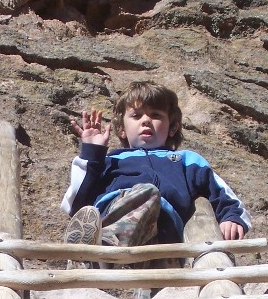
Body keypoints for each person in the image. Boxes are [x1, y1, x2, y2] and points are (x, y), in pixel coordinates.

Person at [61, 81, 250, 253]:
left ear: (173, 127)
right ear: (121, 130)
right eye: (136, 115)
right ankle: (105, 242)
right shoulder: (111, 160)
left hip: (165, 230)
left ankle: (98, 252)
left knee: (151, 196)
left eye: (156, 115)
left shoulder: (186, 160)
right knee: (147, 192)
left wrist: (231, 217)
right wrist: (92, 153)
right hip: (112, 213)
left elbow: (220, 192)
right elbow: (76, 204)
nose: (145, 120)